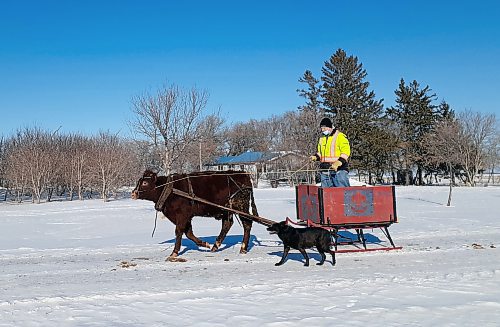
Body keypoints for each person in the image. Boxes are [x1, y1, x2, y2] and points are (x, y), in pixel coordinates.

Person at [310, 117, 351, 187]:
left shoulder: (340, 137)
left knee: (342, 191)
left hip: (339, 169)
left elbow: (345, 152)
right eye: (321, 128)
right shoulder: (322, 138)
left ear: (330, 127)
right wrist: (315, 157)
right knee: (327, 193)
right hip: (325, 169)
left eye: (324, 128)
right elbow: (321, 153)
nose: (322, 130)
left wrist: (339, 162)